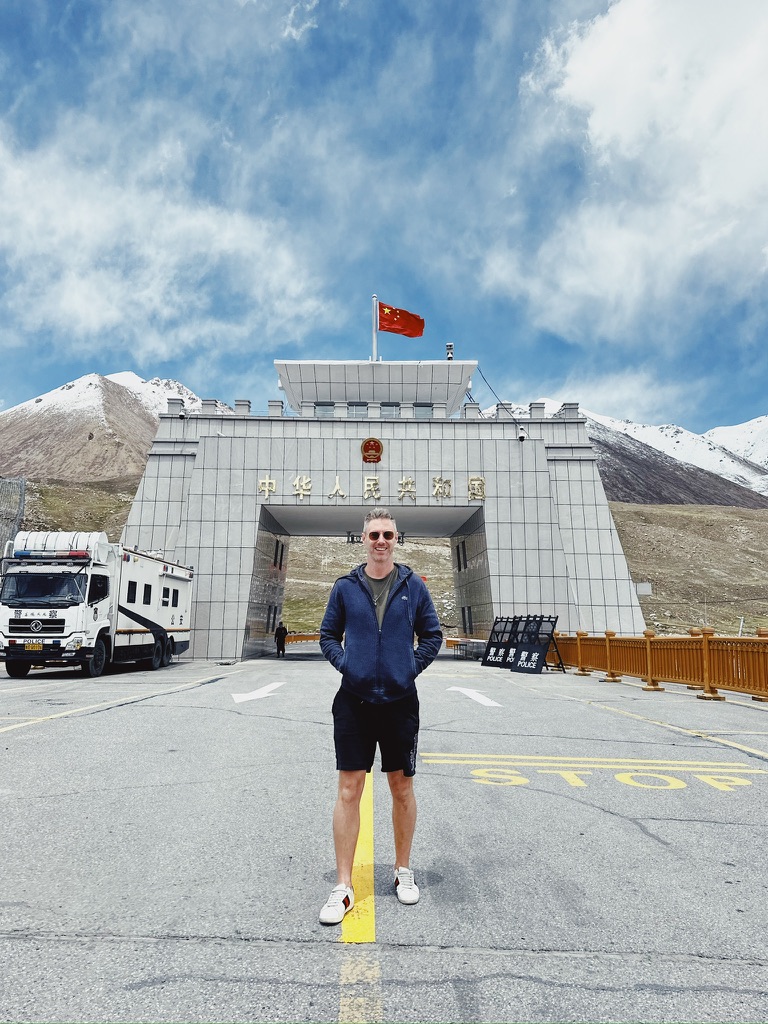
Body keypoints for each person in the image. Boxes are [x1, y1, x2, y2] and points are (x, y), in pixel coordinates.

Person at [318, 508, 442, 925]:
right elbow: (327, 635)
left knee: (401, 787)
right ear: (364, 539)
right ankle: (343, 885)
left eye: (388, 534)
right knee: (349, 789)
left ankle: (402, 871)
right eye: (374, 534)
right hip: (353, 701)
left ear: (396, 539)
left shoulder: (413, 586)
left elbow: (433, 635)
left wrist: (408, 667)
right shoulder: (345, 588)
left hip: (400, 701)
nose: (381, 541)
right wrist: (347, 665)